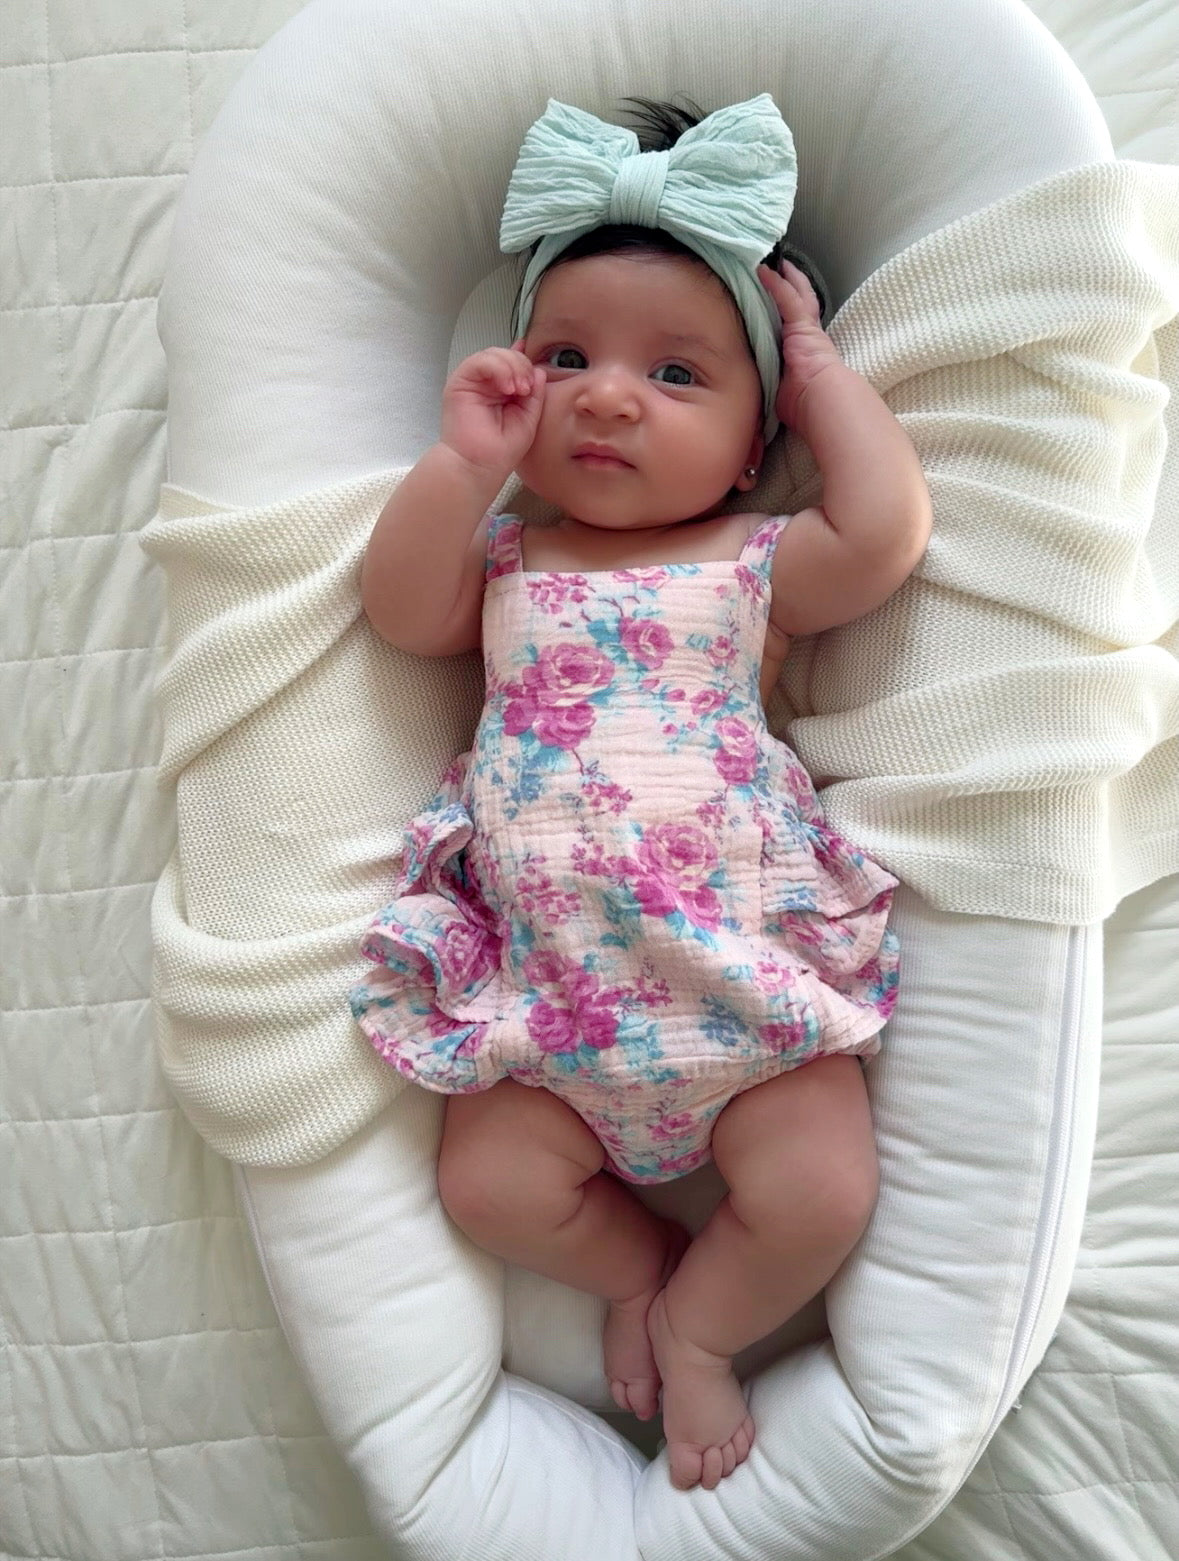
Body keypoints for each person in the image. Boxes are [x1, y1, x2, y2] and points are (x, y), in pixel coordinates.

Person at [350, 94, 932, 1493]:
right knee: (488, 1188)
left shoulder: (752, 554)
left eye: (678, 375)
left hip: (737, 986)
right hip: (549, 1011)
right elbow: (395, 607)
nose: (608, 395)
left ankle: (706, 1325)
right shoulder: (504, 557)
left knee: (821, 1191)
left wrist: (816, 364)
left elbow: (885, 532)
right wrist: (462, 465)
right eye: (567, 357)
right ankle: (636, 1264)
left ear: (754, 439)